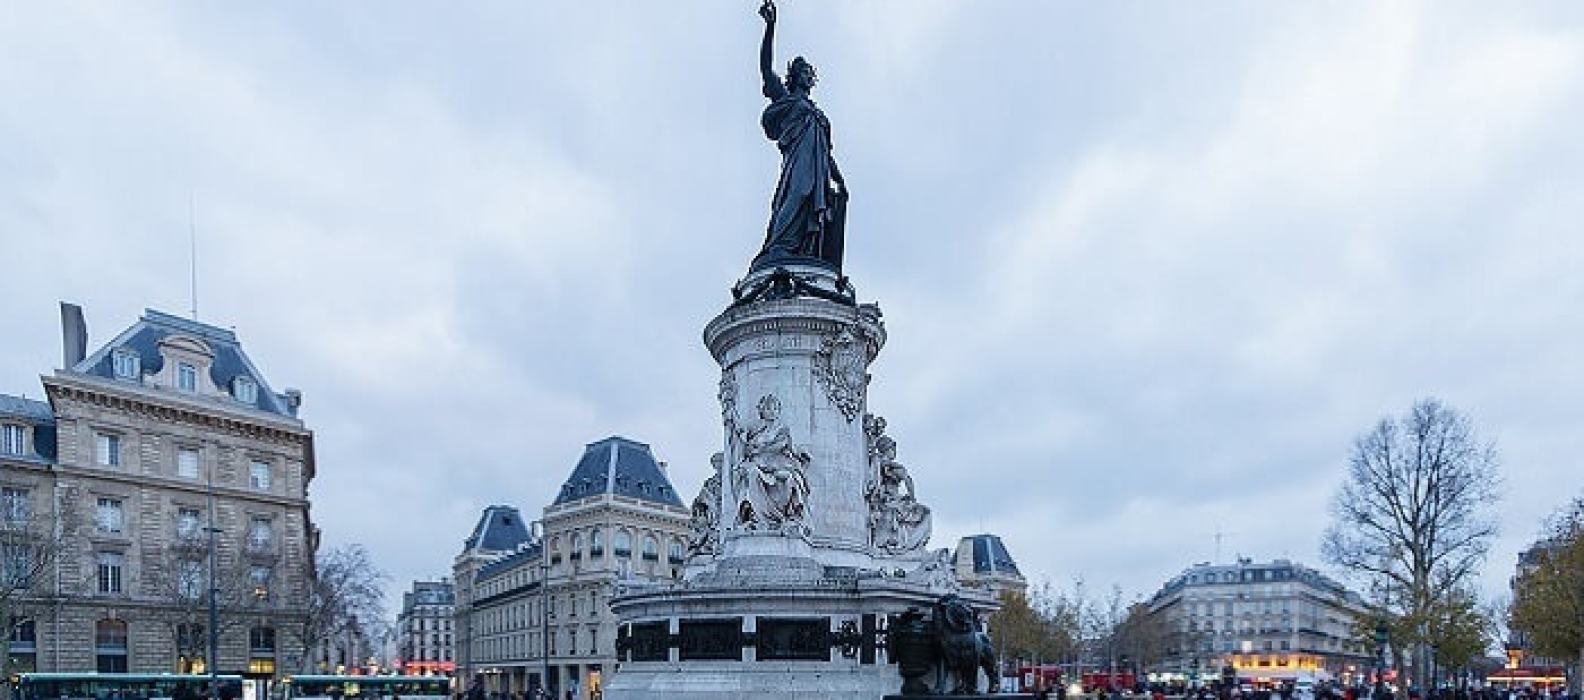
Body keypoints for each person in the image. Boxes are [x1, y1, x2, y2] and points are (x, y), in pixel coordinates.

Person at [751, 0, 848, 272]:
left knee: (813, 205)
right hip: (798, 165)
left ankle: (804, 251)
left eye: (809, 73)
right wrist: (770, 28)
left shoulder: (817, 114)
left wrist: (839, 177)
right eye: (803, 72)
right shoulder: (787, 98)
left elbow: (826, 152)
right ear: (794, 76)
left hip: (818, 170)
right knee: (796, 196)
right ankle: (779, 246)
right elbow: (765, 69)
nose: (807, 76)